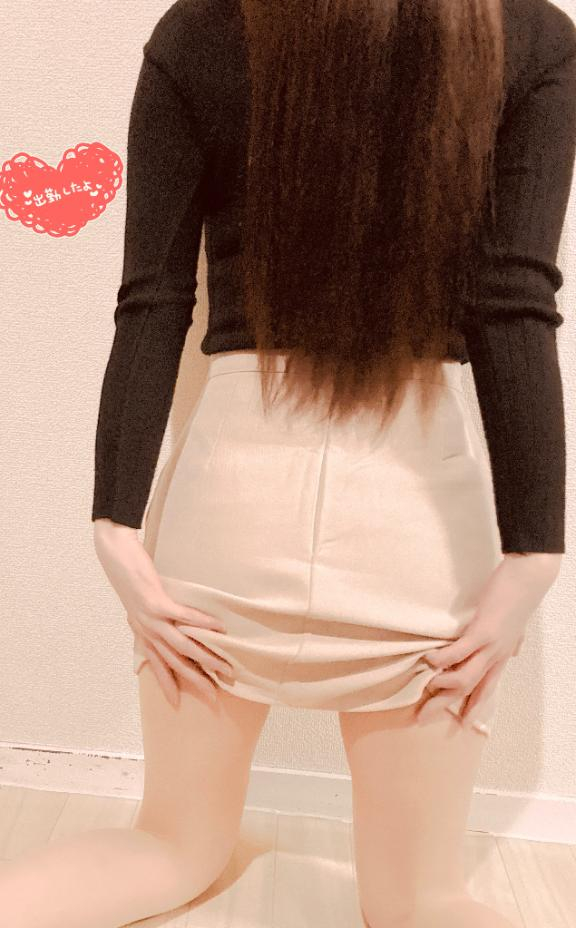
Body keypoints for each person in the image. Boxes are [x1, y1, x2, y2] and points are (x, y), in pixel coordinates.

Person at [2, 1, 574, 926]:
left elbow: (153, 298)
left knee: (169, 848)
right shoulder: (534, 36)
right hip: (418, 522)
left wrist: (115, 524)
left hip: (229, 504)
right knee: (419, 898)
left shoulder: (199, 27)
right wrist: (535, 550)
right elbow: (513, 302)